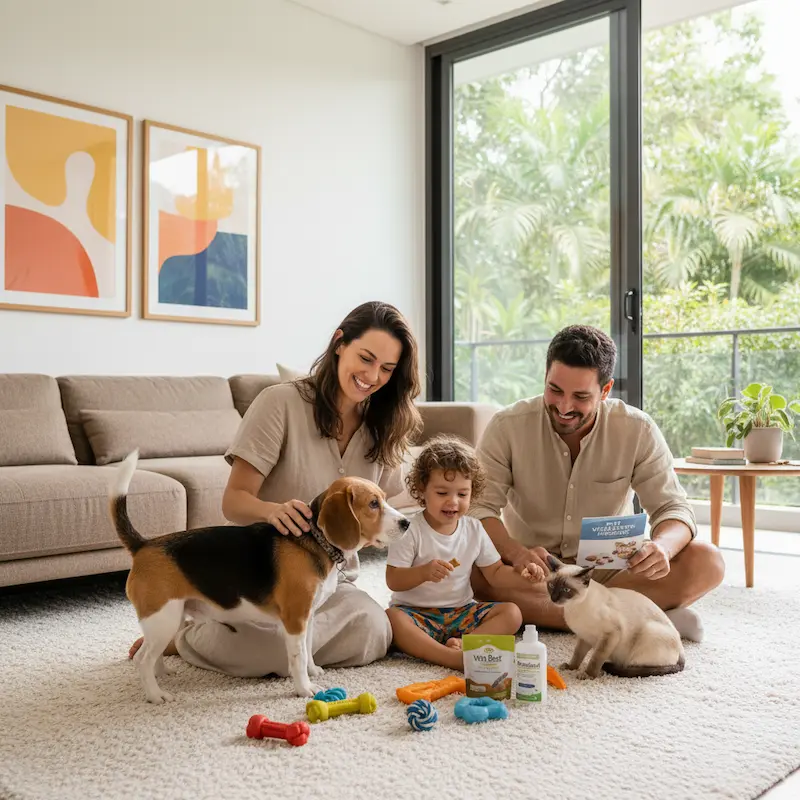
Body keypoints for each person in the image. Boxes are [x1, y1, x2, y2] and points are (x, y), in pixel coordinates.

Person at [128, 301, 422, 677]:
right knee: (266, 650)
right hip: (261, 580)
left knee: (375, 631)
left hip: (333, 581)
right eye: (366, 358)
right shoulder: (279, 402)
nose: (372, 375)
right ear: (339, 344)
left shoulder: (384, 423)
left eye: (387, 368)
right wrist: (272, 511)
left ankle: (277, 640)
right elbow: (233, 502)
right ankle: (187, 634)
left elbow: (384, 508)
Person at [470, 324, 726, 643]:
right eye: (555, 390)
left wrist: (662, 547)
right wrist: (516, 553)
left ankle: (580, 616)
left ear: (605, 391)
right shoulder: (507, 426)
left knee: (707, 561)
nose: (564, 407)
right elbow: (478, 508)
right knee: (470, 567)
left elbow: (673, 508)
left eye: (580, 396)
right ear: (545, 376)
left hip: (613, 571)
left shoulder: (637, 429)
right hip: (533, 572)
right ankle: (637, 613)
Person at [386, 435, 539, 671]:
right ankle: (451, 658)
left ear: (472, 493)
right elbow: (393, 580)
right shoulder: (410, 529)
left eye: (462, 494)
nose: (453, 502)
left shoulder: (474, 528)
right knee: (392, 619)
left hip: (462, 613)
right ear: (422, 489)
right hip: (416, 614)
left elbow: (496, 573)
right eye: (442, 493)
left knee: (512, 613)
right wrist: (424, 573)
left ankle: (464, 644)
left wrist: (523, 576)